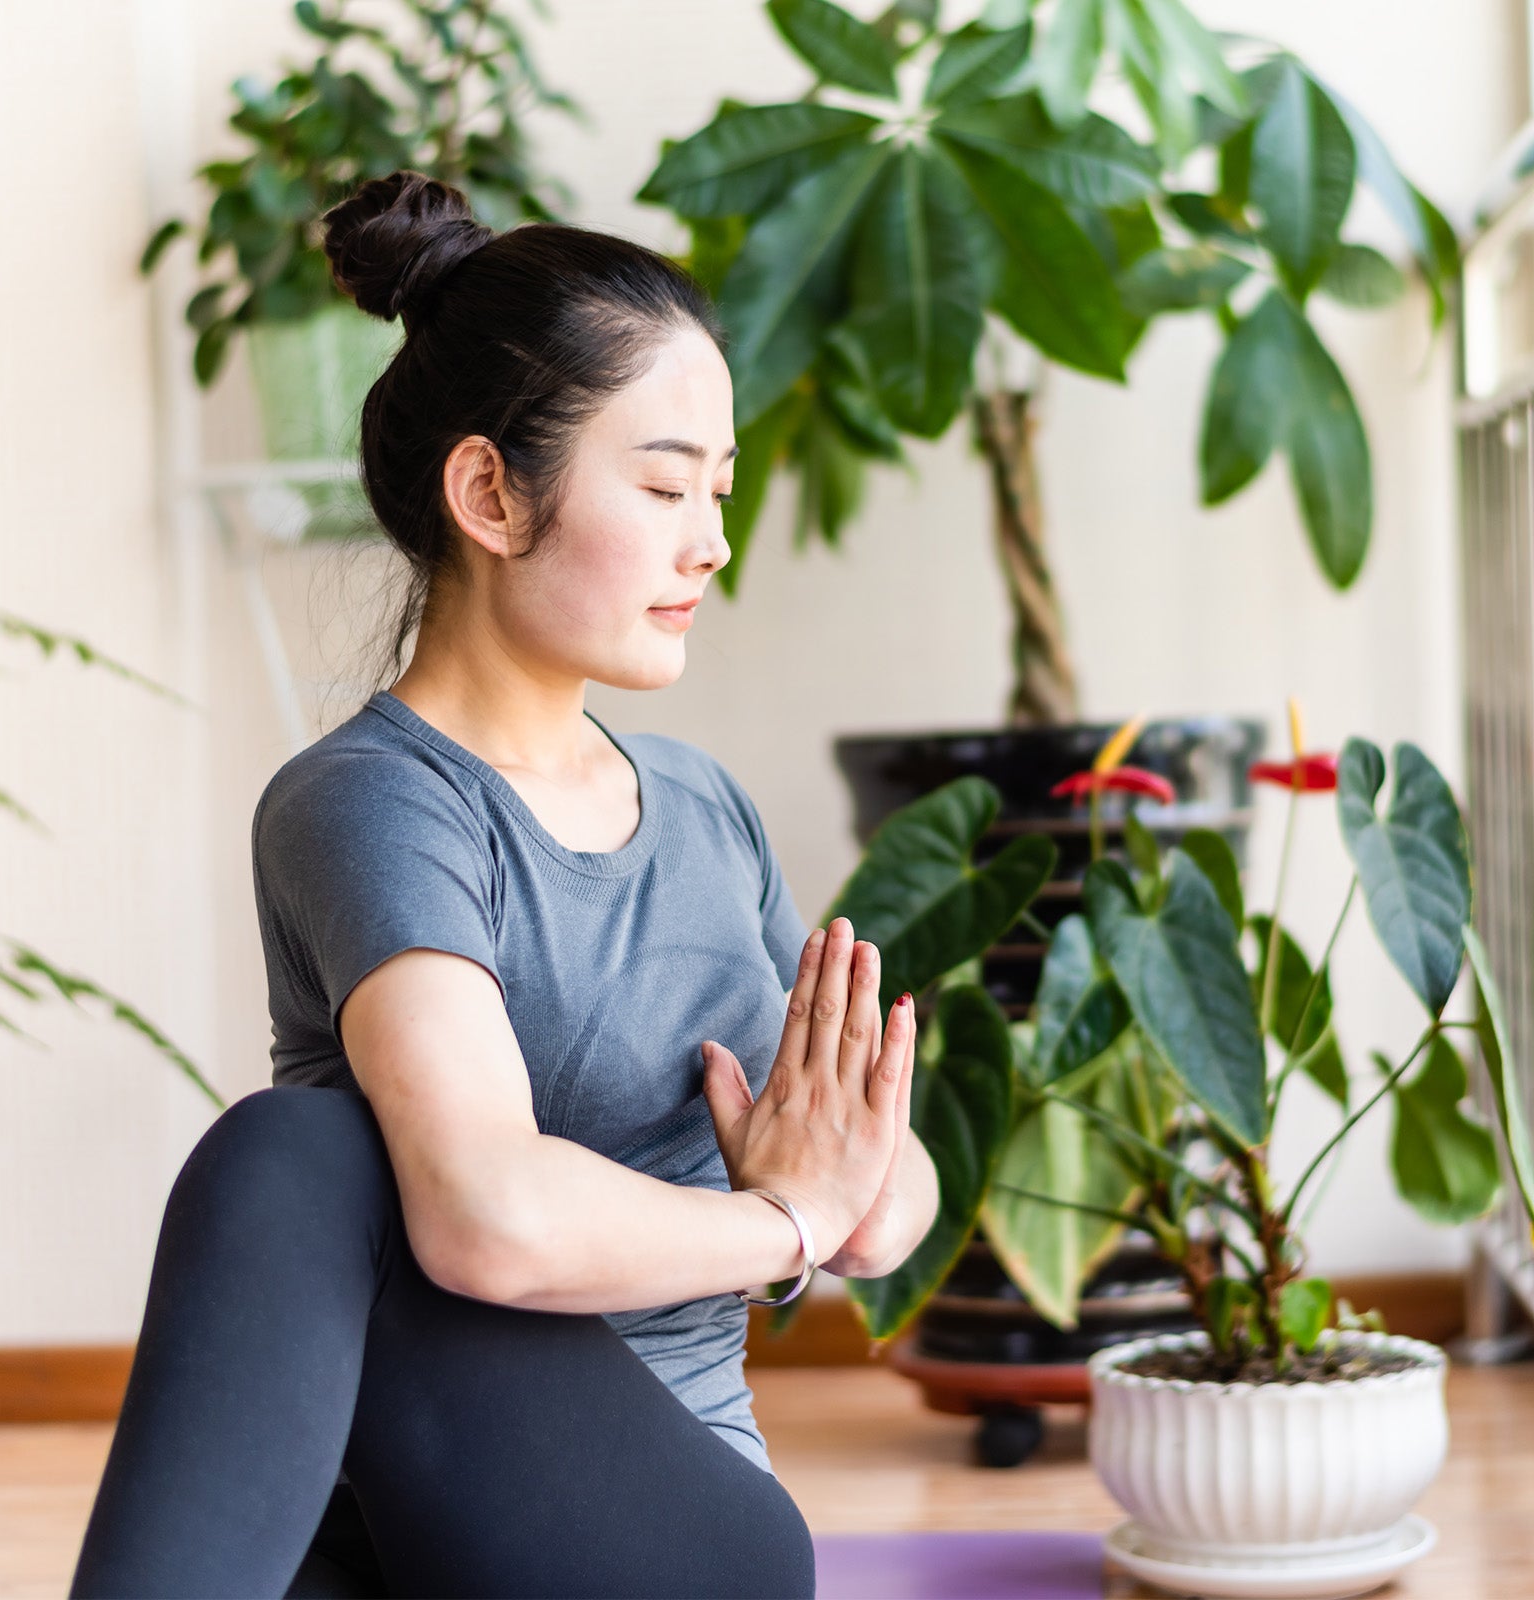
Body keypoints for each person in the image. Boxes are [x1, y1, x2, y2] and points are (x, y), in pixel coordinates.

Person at [68, 171, 939, 1599]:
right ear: (487, 490)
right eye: (662, 486)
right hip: (415, 1523)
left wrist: (830, 1197)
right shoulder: (373, 802)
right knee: (309, 1160)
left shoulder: (708, 811)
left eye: (715, 492)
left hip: (678, 1538)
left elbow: (888, 1196)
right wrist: (782, 1223)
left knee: (296, 1153)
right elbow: (491, 1216)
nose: (709, 541)